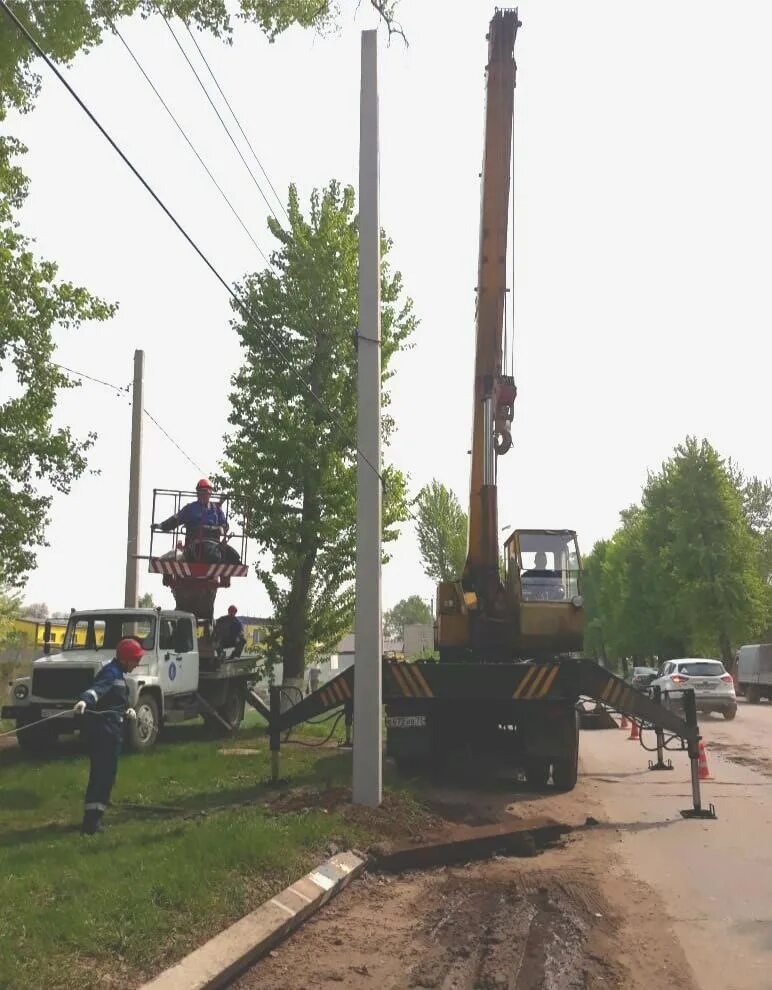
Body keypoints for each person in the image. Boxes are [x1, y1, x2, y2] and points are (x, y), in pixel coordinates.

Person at [73, 638, 142, 835]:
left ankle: (96, 816)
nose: (137, 664)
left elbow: (115, 700)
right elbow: (98, 690)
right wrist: (84, 701)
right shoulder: (111, 673)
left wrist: (127, 710)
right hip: (104, 734)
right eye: (135, 660)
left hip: (112, 732)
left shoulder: (118, 673)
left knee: (106, 776)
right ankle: (91, 824)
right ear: (126, 659)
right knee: (102, 777)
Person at [154, 479, 240, 564]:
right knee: (173, 557)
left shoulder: (217, 509)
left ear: (210, 494)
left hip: (215, 545)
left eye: (206, 492)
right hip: (194, 546)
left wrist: (222, 528)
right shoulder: (190, 508)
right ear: (197, 493)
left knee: (234, 557)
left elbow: (225, 525)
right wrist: (161, 526)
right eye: (201, 492)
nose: (203, 494)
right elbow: (176, 519)